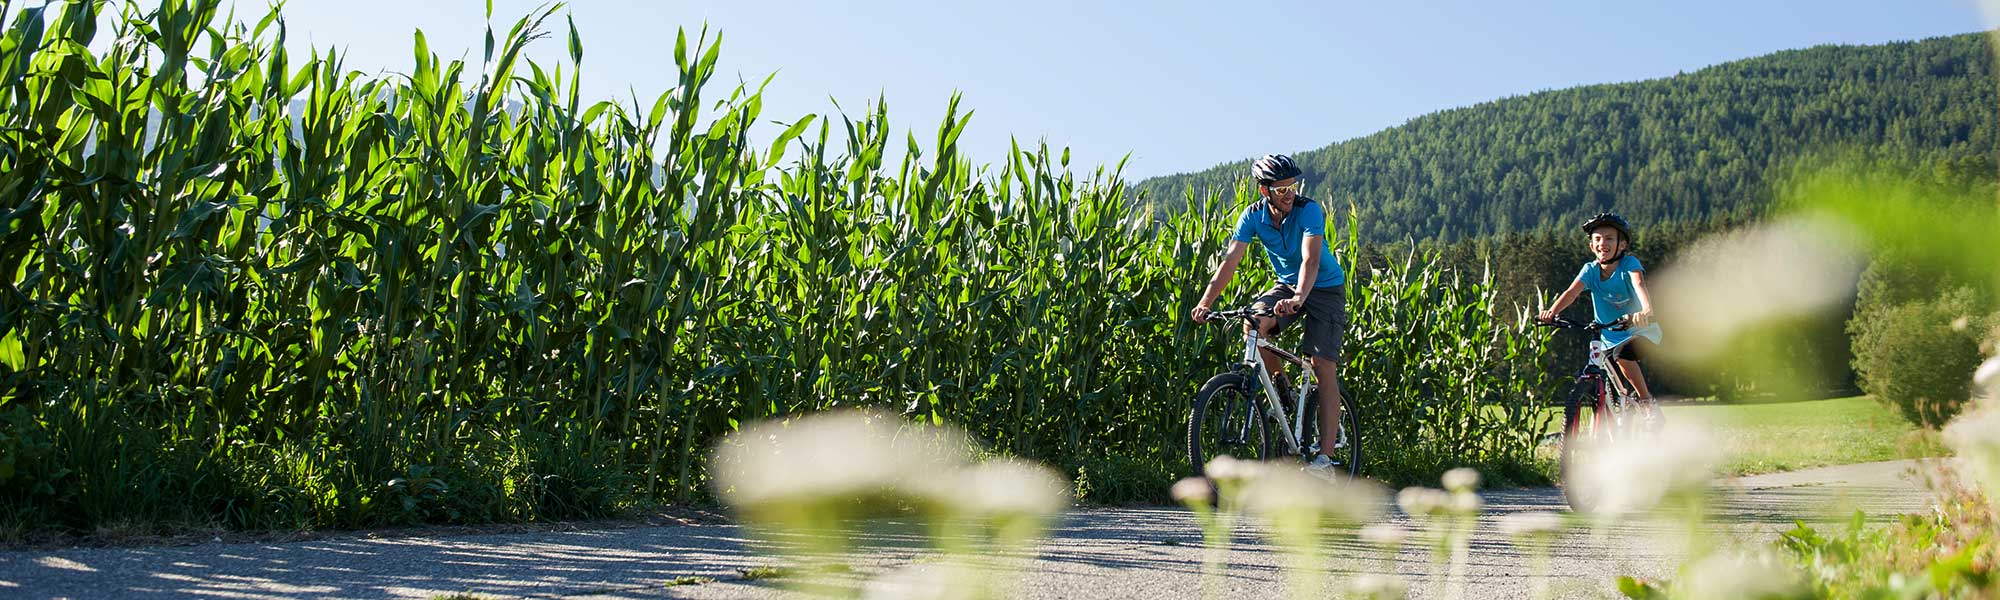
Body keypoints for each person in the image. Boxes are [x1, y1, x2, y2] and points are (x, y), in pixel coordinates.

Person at [1189, 154, 1350, 475]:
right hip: (1287, 285)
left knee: (1323, 366)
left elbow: (1310, 261)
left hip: (1324, 288)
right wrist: (1205, 302)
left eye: (1292, 186)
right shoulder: (1252, 217)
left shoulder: (1309, 211)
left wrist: (1298, 299)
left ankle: (1325, 460)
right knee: (1252, 325)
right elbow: (1230, 262)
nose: (1289, 193)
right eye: (1280, 190)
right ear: (1265, 192)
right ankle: (1282, 391)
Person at [1537, 212, 1665, 427]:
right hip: (1608, 335)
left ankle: (1646, 403)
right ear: (1590, 246)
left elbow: (1639, 284)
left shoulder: (1629, 264)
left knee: (1622, 355)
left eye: (1609, 239)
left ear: (1622, 245)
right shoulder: (1590, 270)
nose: (1602, 243)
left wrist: (1646, 310)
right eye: (1597, 239)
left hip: (1640, 331)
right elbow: (1571, 293)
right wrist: (1551, 312)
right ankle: (1616, 418)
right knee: (1609, 385)